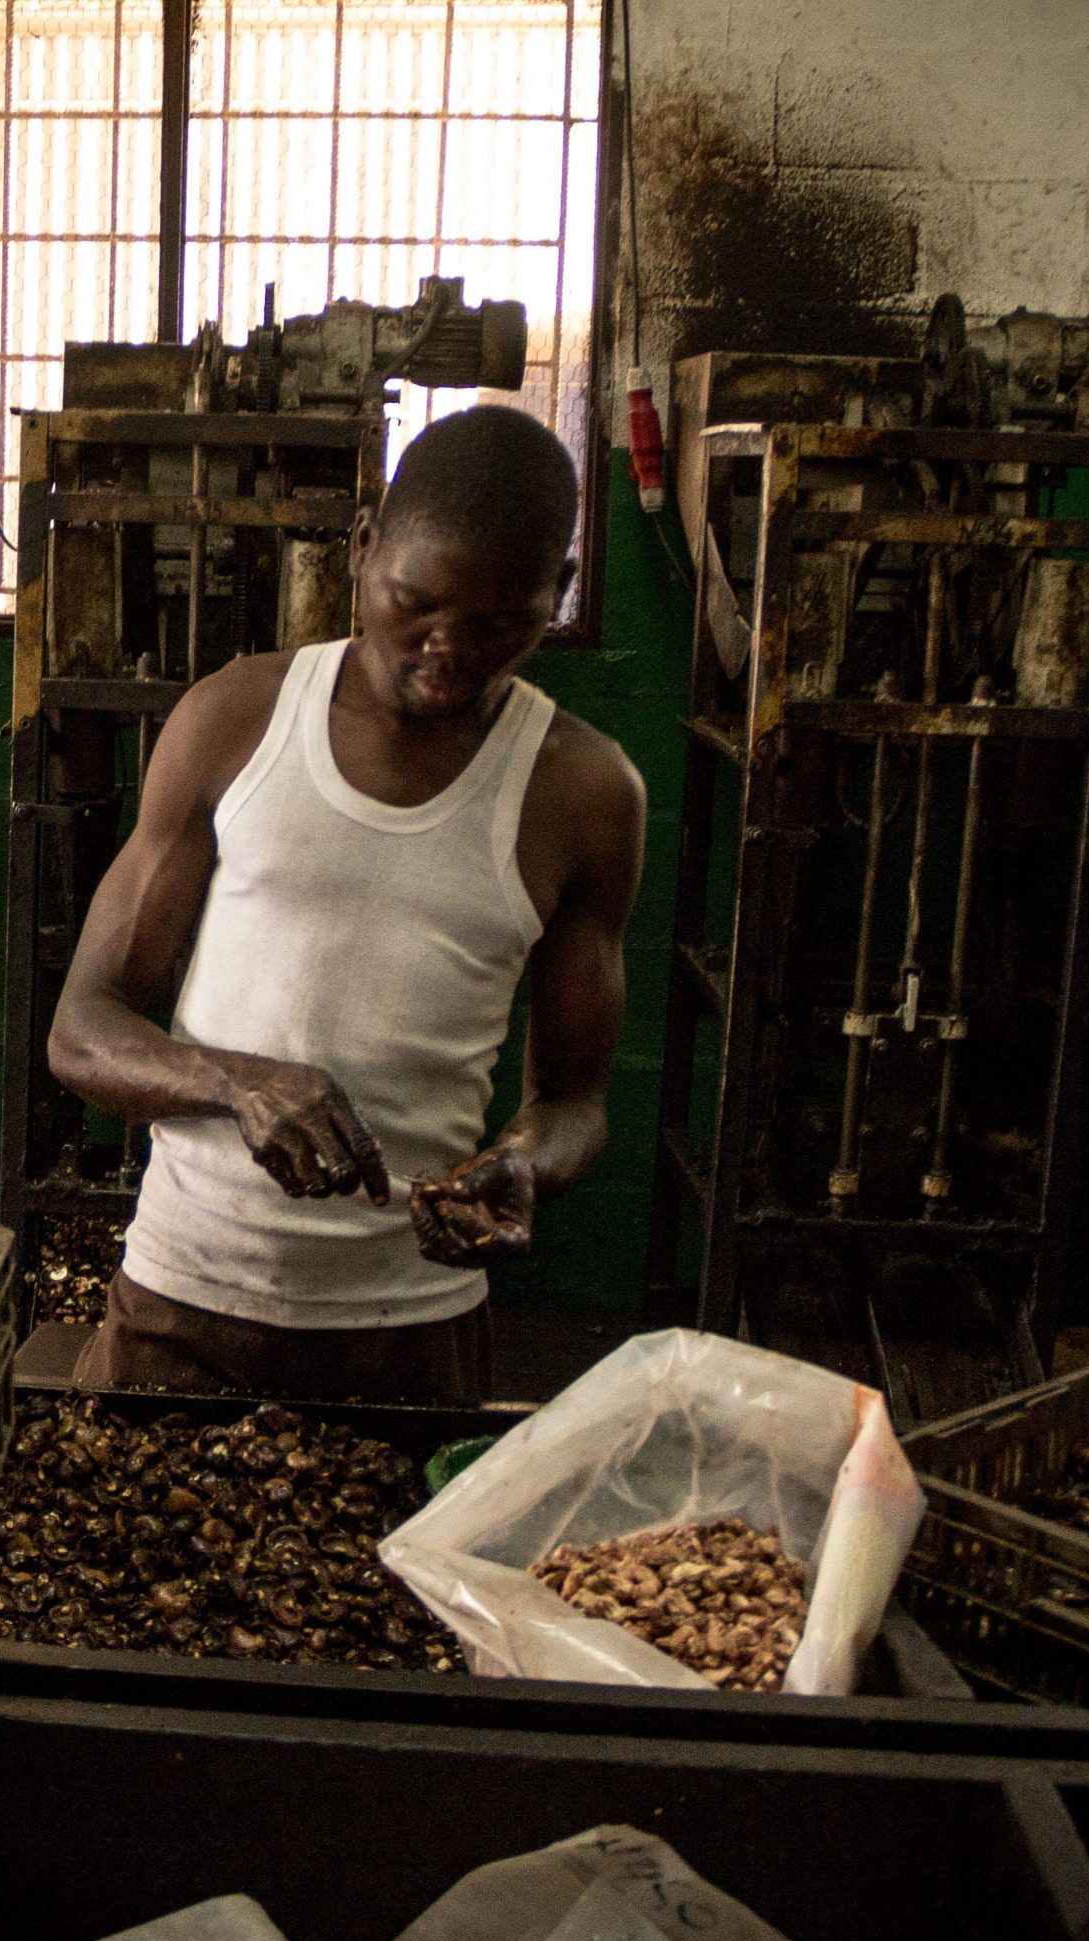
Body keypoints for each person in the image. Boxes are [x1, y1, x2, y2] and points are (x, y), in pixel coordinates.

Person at [48, 405, 645, 1402]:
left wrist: (528, 1165)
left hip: (409, 1334)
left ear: (559, 594)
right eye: (417, 601)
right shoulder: (235, 719)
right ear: (362, 548)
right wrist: (237, 1082)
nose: (449, 647)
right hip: (182, 1303)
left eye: (500, 622)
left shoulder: (583, 792)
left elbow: (574, 1100)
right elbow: (80, 1028)